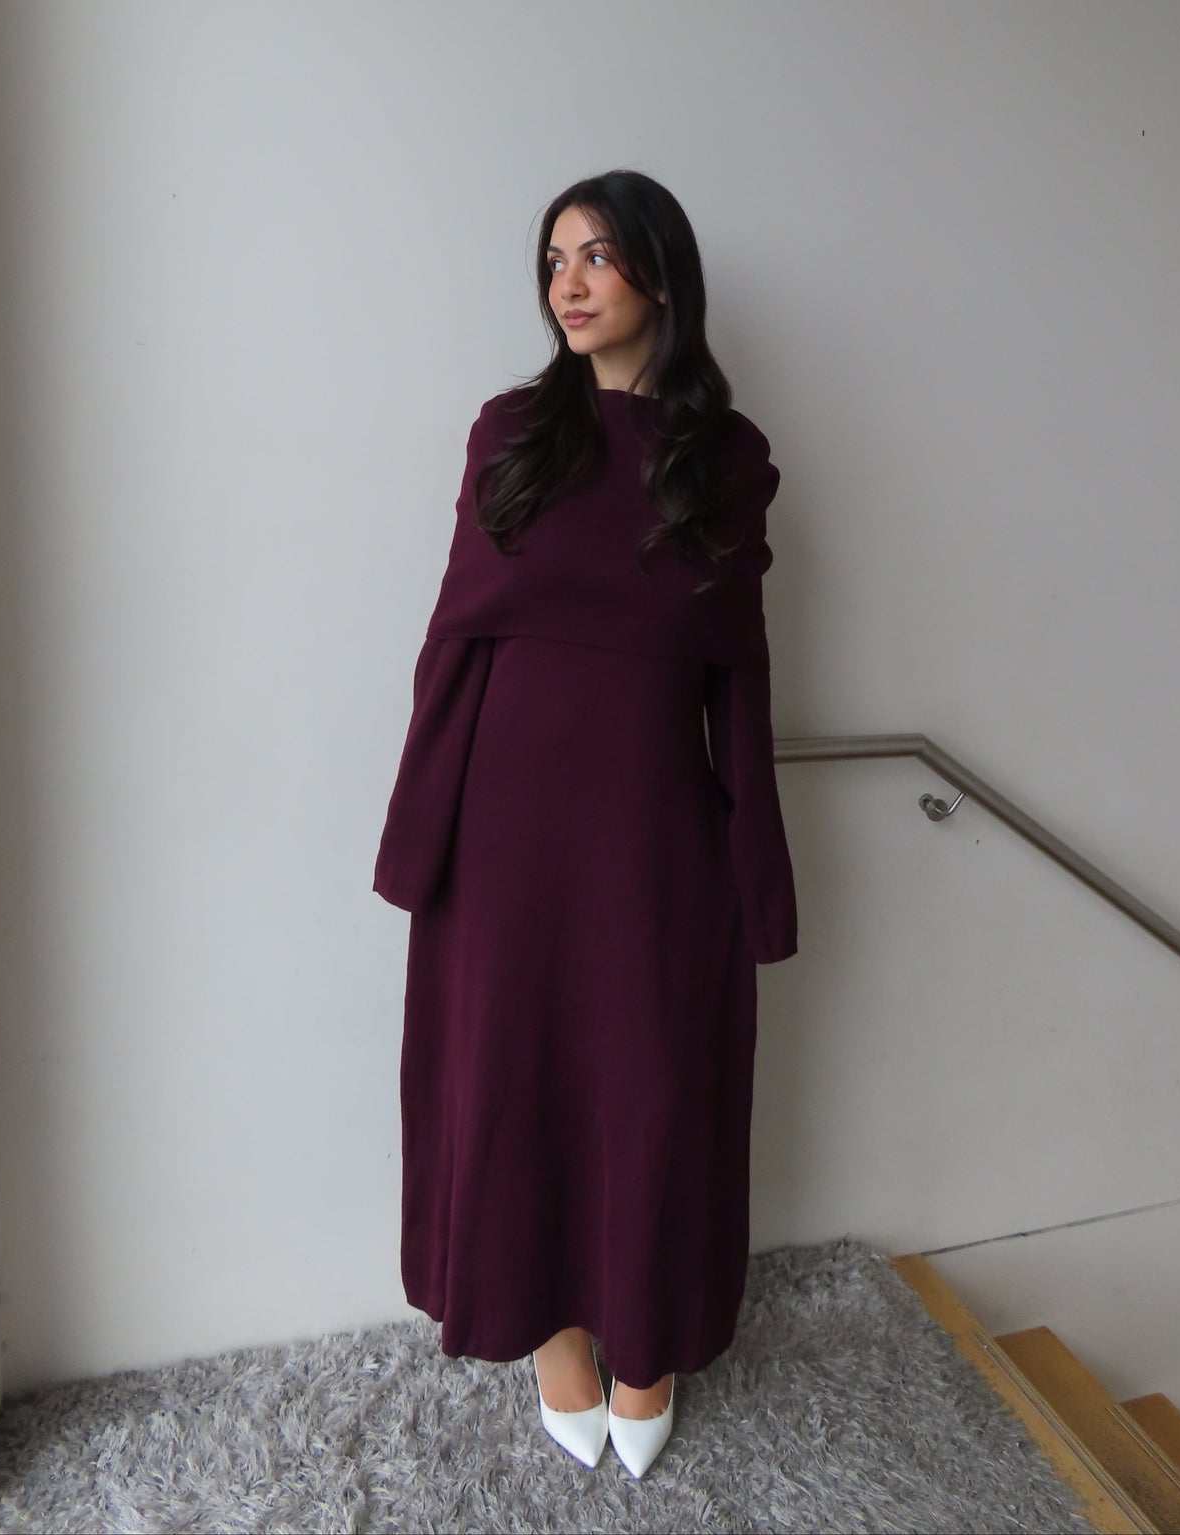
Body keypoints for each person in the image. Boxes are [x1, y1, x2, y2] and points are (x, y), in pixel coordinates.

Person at [373, 168, 798, 1479]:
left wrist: (755, 869)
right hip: (501, 826)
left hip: (652, 827)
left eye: (598, 256)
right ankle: (553, 1337)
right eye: (554, 259)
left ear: (661, 276)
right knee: (513, 1080)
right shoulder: (511, 432)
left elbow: (740, 676)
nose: (568, 282)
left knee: (650, 1083)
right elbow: (452, 639)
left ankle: (646, 1339)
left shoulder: (723, 461)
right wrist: (421, 836)